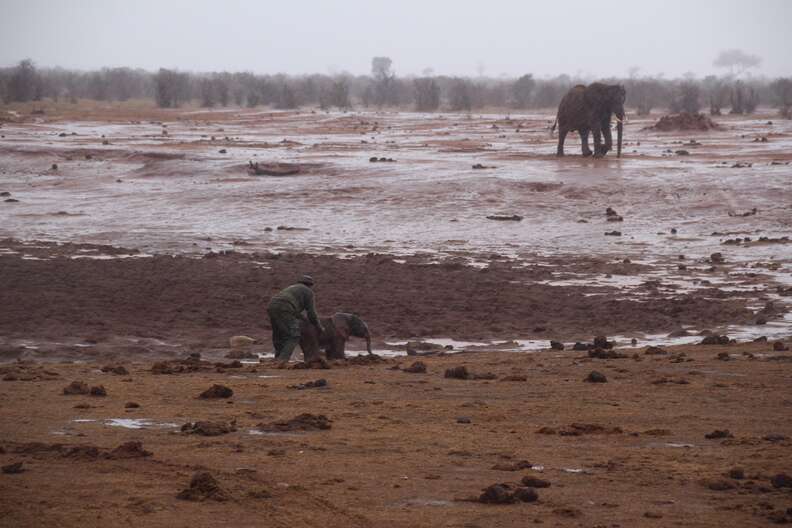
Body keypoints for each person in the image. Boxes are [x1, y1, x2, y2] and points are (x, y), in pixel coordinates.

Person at [267, 275, 325, 363]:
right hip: (285, 307)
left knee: (278, 334)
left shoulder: (291, 288)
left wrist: (304, 319)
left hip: (272, 306)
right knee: (294, 335)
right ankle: (282, 360)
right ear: (310, 285)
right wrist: (319, 326)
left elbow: (294, 310)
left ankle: (277, 358)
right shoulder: (308, 292)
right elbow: (311, 313)